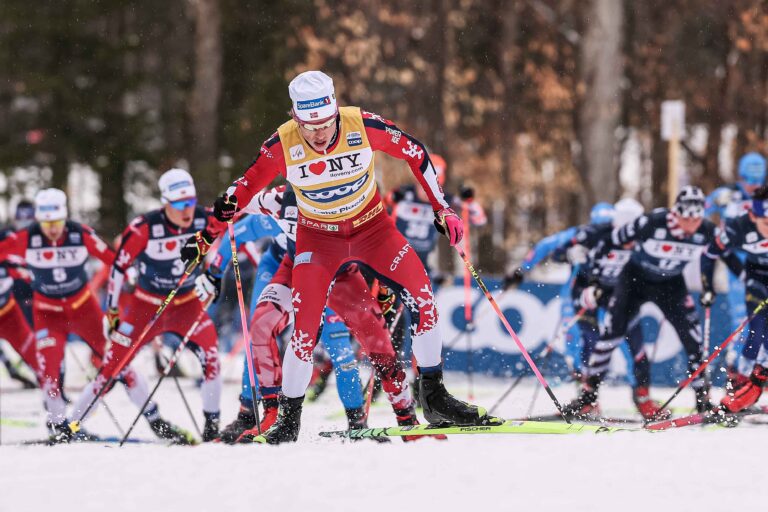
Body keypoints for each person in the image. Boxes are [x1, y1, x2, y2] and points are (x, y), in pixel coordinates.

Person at [181, 70, 499, 444]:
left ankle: (434, 397)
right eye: (308, 126)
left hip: (373, 230)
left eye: (325, 124)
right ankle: (288, 419)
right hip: (318, 240)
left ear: (334, 111)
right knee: (303, 332)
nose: (318, 135)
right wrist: (204, 239)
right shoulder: (280, 146)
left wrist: (442, 209)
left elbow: (415, 151)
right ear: (294, 117)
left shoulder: (361, 125)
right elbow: (237, 195)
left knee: (422, 297)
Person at [204, 185, 422, 443]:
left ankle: (402, 417)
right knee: (261, 325)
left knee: (370, 342)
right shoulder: (278, 198)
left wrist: (385, 290)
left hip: (340, 276)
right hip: (294, 267)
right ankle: (271, 414)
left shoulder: (349, 201)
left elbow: (380, 249)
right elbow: (236, 209)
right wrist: (213, 263)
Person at [70, 169, 222, 443]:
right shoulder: (145, 227)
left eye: (189, 201)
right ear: (165, 201)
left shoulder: (205, 217)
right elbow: (117, 268)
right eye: (178, 203)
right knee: (112, 366)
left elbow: (231, 229)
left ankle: (213, 428)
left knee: (212, 359)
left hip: (187, 304)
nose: (186, 209)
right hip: (146, 307)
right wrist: (113, 310)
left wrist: (215, 273)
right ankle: (70, 426)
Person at [566, 187, 740, 419]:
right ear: (676, 212)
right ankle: (588, 398)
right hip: (634, 281)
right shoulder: (653, 221)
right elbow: (611, 241)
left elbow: (727, 256)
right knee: (611, 335)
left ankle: (703, 399)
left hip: (671, 285)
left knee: (693, 339)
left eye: (696, 218)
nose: (691, 225)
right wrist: (596, 280)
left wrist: (739, 281)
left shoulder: (707, 230)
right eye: (686, 217)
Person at [0, 189, 119, 439]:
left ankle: (69, 421)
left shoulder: (76, 233)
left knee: (106, 363)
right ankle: (58, 418)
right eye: (46, 223)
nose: (51, 229)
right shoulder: (24, 237)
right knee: (47, 366)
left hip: (66, 308)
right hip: (43, 310)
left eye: (56, 222)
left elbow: (115, 259)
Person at [503, 202, 616, 373]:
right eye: (599, 227)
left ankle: (637, 387)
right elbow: (547, 245)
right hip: (576, 289)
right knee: (575, 333)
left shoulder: (621, 237)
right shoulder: (580, 234)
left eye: (607, 228)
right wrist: (522, 270)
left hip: (610, 291)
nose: (602, 234)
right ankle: (581, 377)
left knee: (615, 335)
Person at [701, 185, 768, 413]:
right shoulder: (737, 227)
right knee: (758, 331)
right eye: (766, 223)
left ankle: (751, 385)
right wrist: (707, 287)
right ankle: (741, 382)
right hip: (757, 278)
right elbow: (709, 255)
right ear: (753, 215)